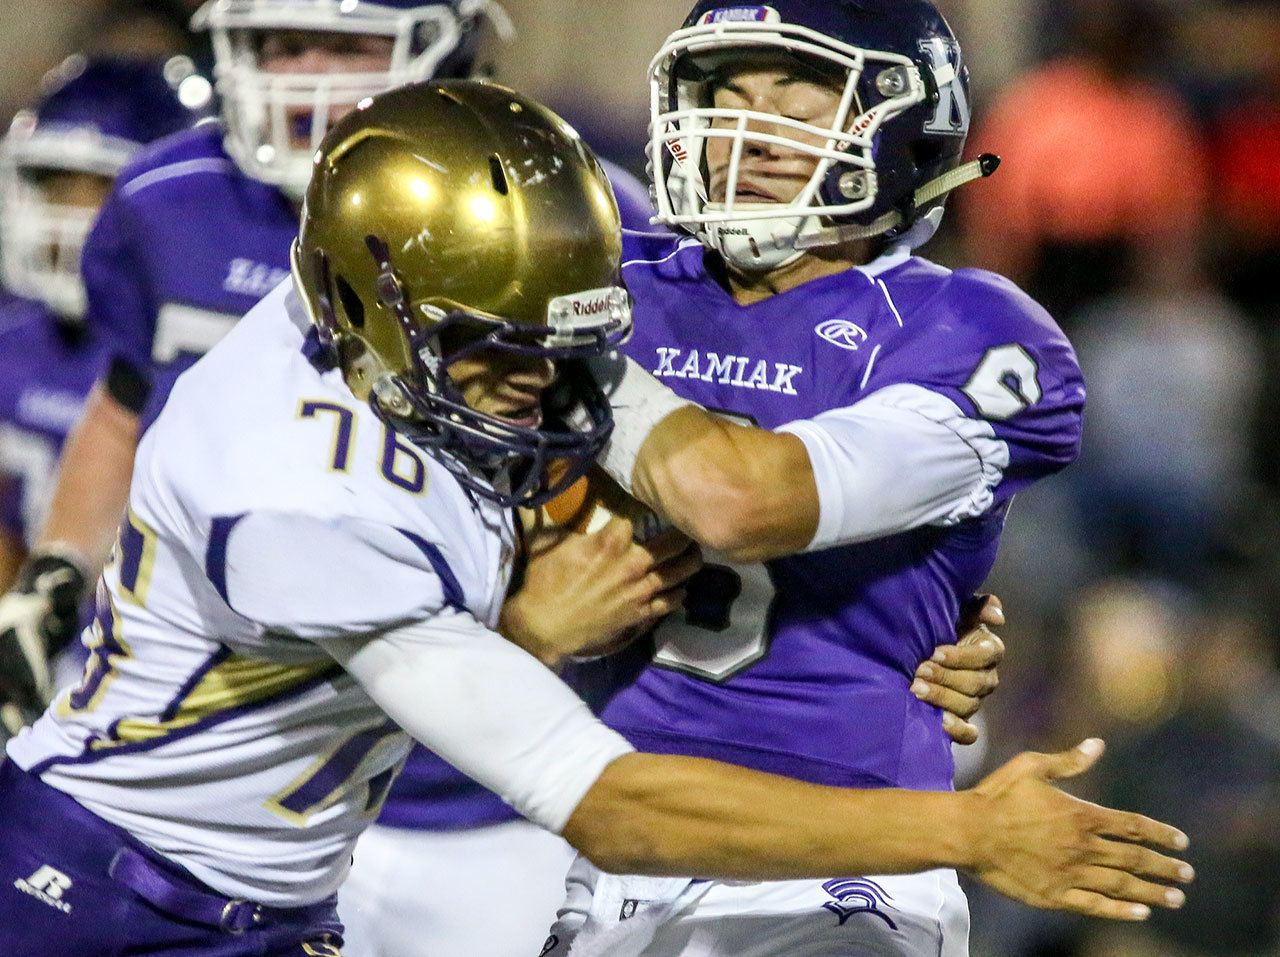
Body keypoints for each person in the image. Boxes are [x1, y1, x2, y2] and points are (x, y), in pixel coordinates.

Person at [0, 81, 1191, 957]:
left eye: (565, 346)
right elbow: (612, 808)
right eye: (502, 354)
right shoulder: (295, 497)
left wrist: (903, 610)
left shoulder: (387, 317)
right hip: (115, 898)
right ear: (374, 307)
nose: (545, 388)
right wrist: (969, 832)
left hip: (270, 896)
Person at [0, 3, 650, 953]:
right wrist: (58, 565)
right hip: (238, 761)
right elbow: (123, 400)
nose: (304, 75)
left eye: (341, 44)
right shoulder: (167, 200)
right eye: (280, 43)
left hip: (472, 795)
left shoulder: (567, 220)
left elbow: (649, 455)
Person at [537, 1, 1181, 953]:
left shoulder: (971, 328)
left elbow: (743, 501)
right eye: (725, 99)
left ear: (899, 128)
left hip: (848, 854)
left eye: (795, 105)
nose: (742, 135)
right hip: (615, 838)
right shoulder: (611, 281)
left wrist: (556, 348)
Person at [0, 55, 205, 737]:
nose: (72, 216)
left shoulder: (195, 341)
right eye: (57, 186)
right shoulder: (13, 344)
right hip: (42, 646)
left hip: (173, 672)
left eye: (100, 190)